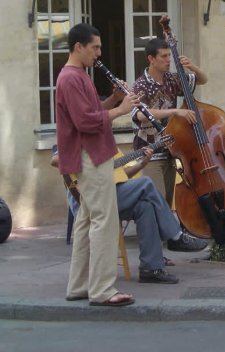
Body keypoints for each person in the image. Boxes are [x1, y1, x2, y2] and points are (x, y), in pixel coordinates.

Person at [55, 22, 140, 307]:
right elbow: (86, 122)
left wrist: (114, 99)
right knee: (104, 220)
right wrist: (122, 109)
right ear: (78, 47)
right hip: (89, 155)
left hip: (90, 153)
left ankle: (79, 286)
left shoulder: (77, 76)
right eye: (95, 47)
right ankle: (103, 290)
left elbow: (92, 112)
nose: (99, 53)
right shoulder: (71, 78)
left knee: (86, 220)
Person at [52, 147, 208, 284]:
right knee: (146, 183)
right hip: (93, 198)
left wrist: (142, 164)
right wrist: (92, 166)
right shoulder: (82, 135)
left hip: (111, 196)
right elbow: (56, 159)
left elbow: (121, 174)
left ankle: (151, 269)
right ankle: (175, 236)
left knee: (145, 207)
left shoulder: (107, 143)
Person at [131, 38, 208, 220]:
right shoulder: (141, 84)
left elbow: (203, 80)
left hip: (170, 148)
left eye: (169, 56)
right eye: (164, 56)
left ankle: (166, 237)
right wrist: (175, 111)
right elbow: (140, 114)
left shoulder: (172, 79)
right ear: (151, 58)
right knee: (156, 198)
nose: (168, 60)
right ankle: (158, 237)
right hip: (150, 150)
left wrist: (194, 67)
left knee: (165, 200)